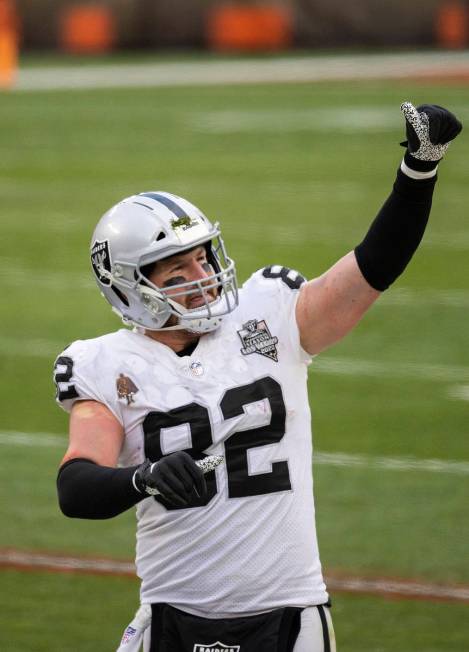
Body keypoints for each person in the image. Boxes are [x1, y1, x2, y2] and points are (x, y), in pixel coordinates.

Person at [54, 101, 462, 652]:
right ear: (130, 289)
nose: (204, 277)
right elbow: (76, 485)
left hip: (288, 614)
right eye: (179, 272)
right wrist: (142, 478)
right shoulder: (105, 363)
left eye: (203, 258)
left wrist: (419, 171)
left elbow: (373, 267)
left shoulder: (268, 312)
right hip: (172, 616)